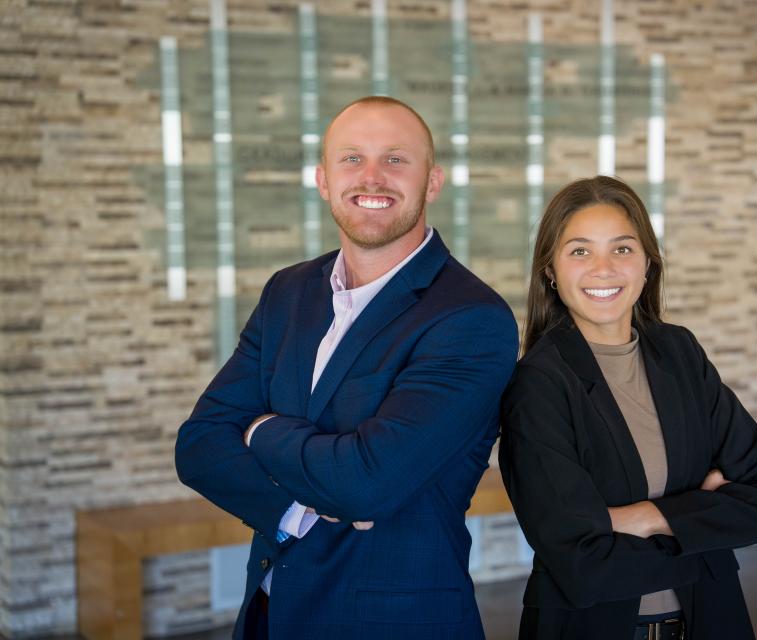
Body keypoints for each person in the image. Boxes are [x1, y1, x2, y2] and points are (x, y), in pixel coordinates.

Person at [175, 96, 519, 639]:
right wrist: (296, 511)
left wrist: (260, 428)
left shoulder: (471, 318)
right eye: (352, 159)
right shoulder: (287, 292)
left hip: (393, 625)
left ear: (432, 182)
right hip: (269, 615)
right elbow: (197, 446)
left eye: (397, 159)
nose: (373, 178)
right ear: (323, 179)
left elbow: (366, 482)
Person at [498, 176, 757, 640]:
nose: (603, 268)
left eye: (622, 249)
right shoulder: (538, 383)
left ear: (647, 263)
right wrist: (704, 522)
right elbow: (582, 561)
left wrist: (643, 518)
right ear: (550, 270)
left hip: (710, 620)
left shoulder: (679, 352)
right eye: (579, 251)